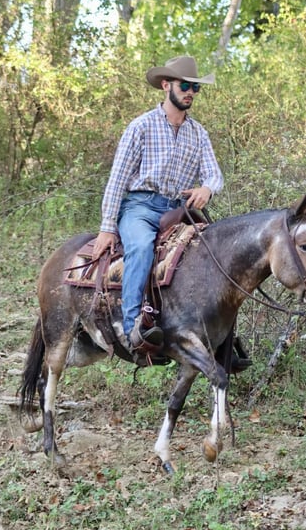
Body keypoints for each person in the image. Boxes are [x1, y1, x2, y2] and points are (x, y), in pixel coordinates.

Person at [92, 55, 224, 350]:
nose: (190, 93)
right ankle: (131, 328)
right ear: (166, 86)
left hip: (178, 211)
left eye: (195, 88)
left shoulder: (198, 133)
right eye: (185, 86)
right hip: (140, 207)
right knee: (140, 248)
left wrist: (207, 188)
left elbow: (214, 174)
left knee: (215, 252)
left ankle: (216, 336)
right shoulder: (141, 127)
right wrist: (107, 226)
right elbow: (117, 179)